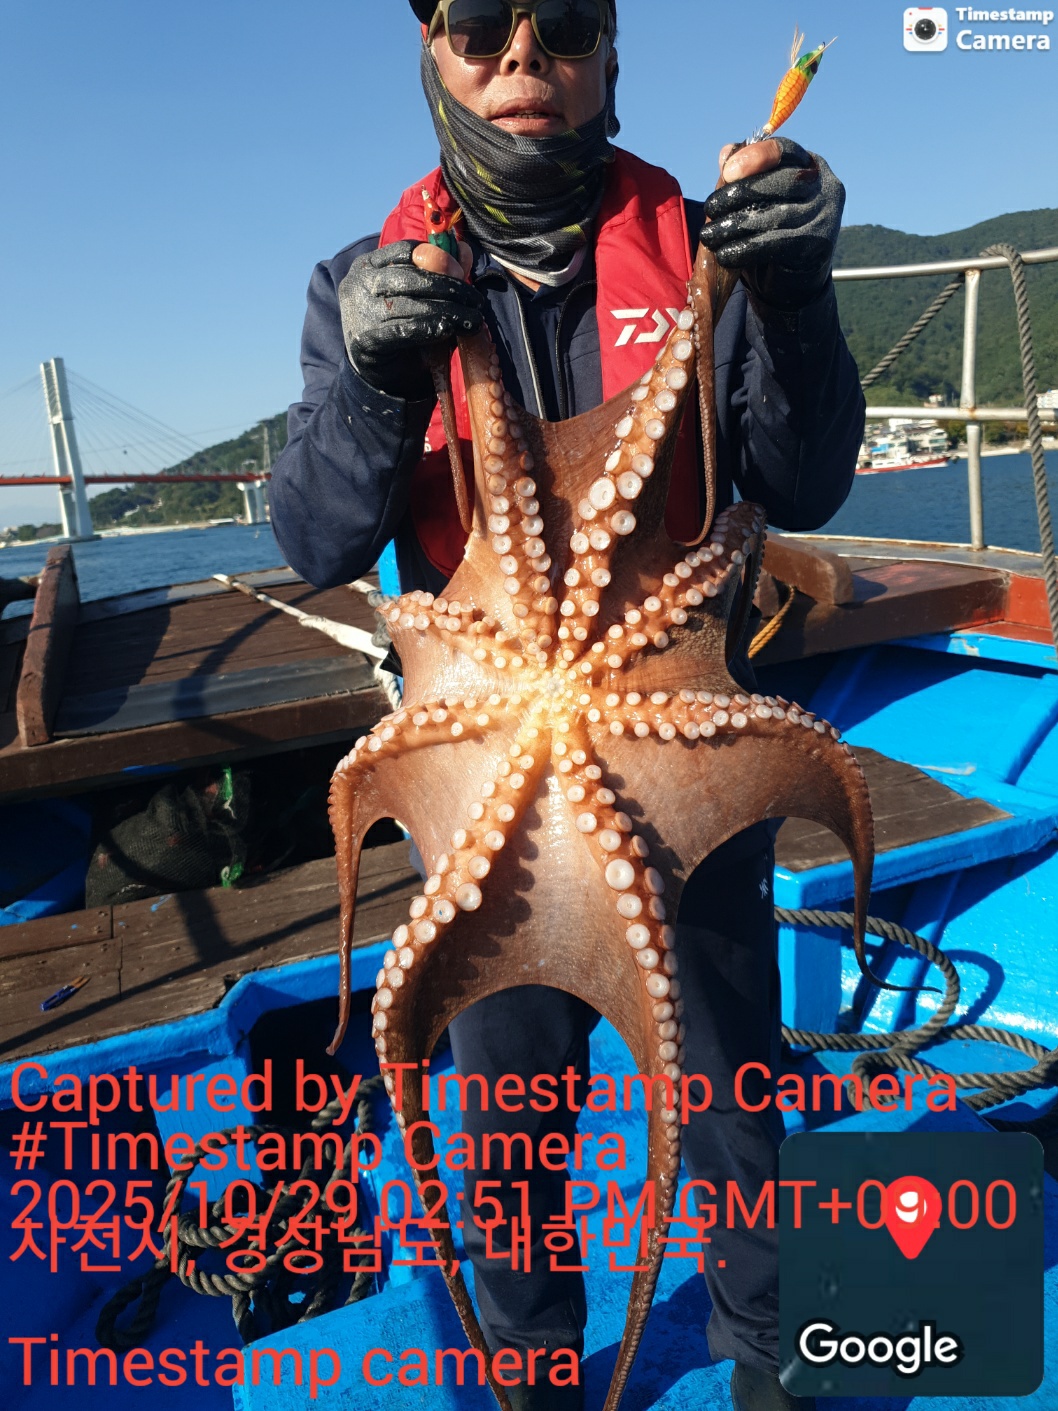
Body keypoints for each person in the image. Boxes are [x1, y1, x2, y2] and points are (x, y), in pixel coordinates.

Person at [269, 4, 865, 1409]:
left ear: (609, 55)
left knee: (731, 1092)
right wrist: (370, 383)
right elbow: (316, 538)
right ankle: (536, 1379)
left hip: (688, 769)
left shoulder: (710, 248)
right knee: (508, 1125)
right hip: (489, 794)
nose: (524, 59)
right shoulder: (361, 281)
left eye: (568, 25)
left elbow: (804, 482)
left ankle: (771, 1357)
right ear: (434, 50)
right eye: (481, 25)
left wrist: (795, 301)